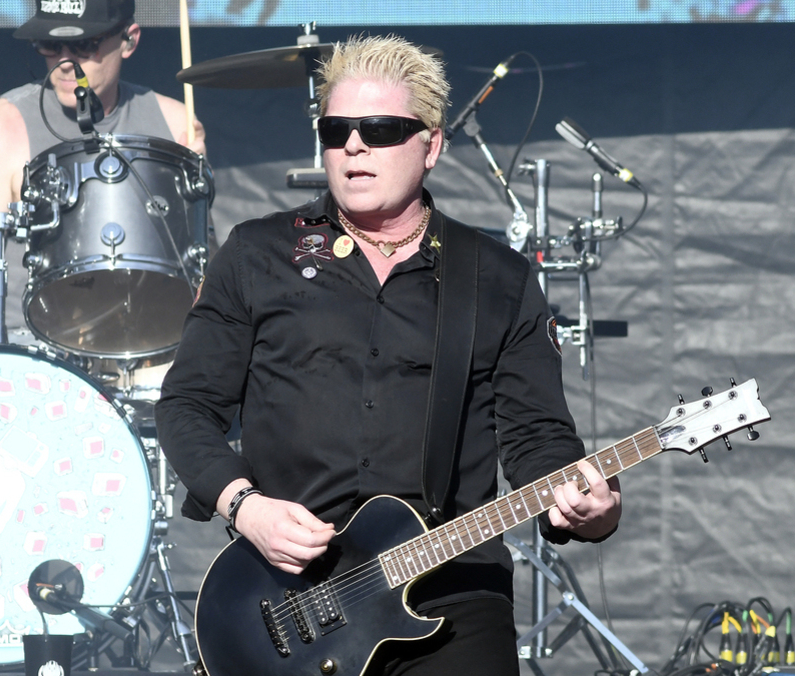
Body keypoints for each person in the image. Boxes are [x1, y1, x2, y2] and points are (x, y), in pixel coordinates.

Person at [154, 35, 621, 675]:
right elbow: (186, 406)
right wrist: (246, 507)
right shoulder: (258, 254)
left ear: (431, 145)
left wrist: (589, 511)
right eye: (337, 129)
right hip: (288, 599)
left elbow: (538, 436)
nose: (353, 146)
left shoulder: (496, 277)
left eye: (379, 129)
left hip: (451, 592)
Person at [0, 0, 206, 334]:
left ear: (129, 40)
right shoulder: (1, 127)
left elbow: (199, 279)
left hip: (144, 349)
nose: (65, 63)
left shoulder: (174, 123)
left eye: (85, 45)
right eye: (51, 45)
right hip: (31, 359)